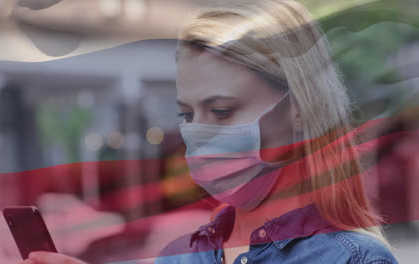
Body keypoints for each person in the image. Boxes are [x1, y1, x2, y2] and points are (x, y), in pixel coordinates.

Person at [20, 0, 399, 263]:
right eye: (187, 114)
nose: (200, 134)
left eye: (221, 111)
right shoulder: (177, 256)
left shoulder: (350, 258)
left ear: (297, 110)